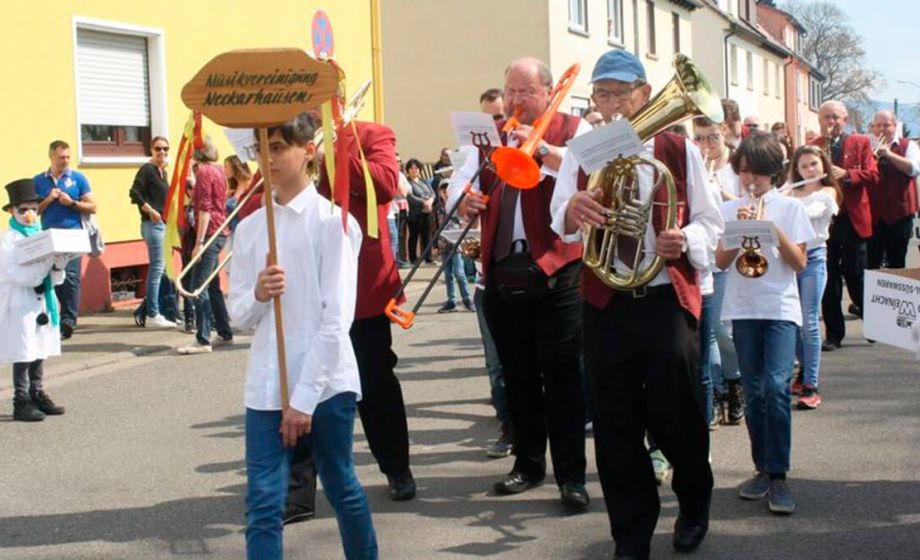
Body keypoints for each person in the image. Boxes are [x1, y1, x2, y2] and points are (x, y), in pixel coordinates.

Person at [551, 49, 723, 557]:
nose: (611, 102)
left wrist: (684, 240)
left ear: (645, 95)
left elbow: (712, 225)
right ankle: (631, 534)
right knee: (615, 425)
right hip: (606, 300)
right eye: (602, 93)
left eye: (621, 92)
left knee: (679, 417)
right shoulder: (583, 149)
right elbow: (557, 218)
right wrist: (572, 209)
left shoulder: (678, 148)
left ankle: (693, 503)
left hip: (666, 299)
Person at [229, 113, 377, 560]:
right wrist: (258, 292)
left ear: (308, 150)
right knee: (263, 502)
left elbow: (336, 320)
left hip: (325, 384)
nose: (268, 158)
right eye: (260, 149)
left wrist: (303, 400)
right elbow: (238, 315)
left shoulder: (334, 224)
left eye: (278, 147)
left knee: (340, 486)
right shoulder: (253, 226)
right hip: (267, 384)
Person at [452, 57, 590, 511]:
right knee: (518, 376)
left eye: (525, 92)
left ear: (548, 92)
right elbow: (457, 184)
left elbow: (587, 166)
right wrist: (464, 200)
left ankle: (572, 476)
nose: (514, 100)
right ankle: (528, 464)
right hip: (503, 270)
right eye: (510, 91)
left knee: (563, 376)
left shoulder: (573, 127)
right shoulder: (489, 134)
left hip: (558, 269)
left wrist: (541, 151)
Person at [285, 111, 415, 528]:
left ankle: (396, 468)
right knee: (303, 387)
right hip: (305, 285)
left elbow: (384, 185)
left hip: (362, 286)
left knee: (375, 383)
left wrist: (334, 153)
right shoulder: (285, 141)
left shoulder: (371, 133)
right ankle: (299, 492)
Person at [715, 133, 814, 516]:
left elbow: (800, 263)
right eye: (743, 172)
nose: (749, 180)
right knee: (754, 391)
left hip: (780, 307)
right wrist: (736, 232)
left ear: (772, 173)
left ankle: (779, 474)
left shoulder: (790, 208)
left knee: (775, 387)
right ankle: (761, 468)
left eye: (756, 172)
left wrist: (772, 230)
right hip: (743, 307)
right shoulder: (730, 210)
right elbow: (722, 262)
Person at [808, 100, 879, 351]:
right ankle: (834, 334)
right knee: (828, 278)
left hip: (852, 218)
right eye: (827, 117)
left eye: (836, 117)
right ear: (820, 121)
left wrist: (847, 174)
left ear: (845, 120)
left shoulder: (860, 142)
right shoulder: (814, 147)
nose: (832, 122)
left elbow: (873, 174)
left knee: (855, 273)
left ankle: (872, 321)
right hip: (826, 219)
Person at [1, 179, 69, 422]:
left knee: (39, 346)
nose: (29, 215)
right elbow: (21, 275)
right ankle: (21, 400)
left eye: (33, 209)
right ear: (12, 211)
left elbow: (54, 277)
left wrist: (59, 263)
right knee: (24, 349)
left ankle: (37, 392)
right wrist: (44, 264)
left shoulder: (41, 235)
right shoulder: (7, 240)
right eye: (23, 210)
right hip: (20, 301)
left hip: (42, 300)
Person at [692, 117, 744, 427]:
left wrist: (719, 193)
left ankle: (735, 381)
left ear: (723, 133)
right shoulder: (694, 163)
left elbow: (747, 206)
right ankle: (712, 396)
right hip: (702, 258)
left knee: (724, 332)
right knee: (707, 333)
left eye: (712, 137)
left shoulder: (734, 169)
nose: (707, 145)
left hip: (726, 255)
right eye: (700, 138)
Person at [785, 145, 842, 410]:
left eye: (814, 164)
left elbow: (811, 214)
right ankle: (805, 367)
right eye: (804, 165)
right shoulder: (789, 190)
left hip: (815, 257)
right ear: (796, 168)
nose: (810, 169)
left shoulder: (827, 192)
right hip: (787, 259)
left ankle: (811, 384)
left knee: (808, 319)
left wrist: (781, 205)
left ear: (823, 166)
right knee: (792, 321)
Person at [34, 140, 97, 340]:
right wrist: (49, 199)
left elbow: (93, 206)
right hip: (50, 237)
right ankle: (57, 316)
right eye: (62, 157)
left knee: (71, 277)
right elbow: (32, 211)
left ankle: (68, 321)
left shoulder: (78, 178)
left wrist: (73, 203)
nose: (66, 161)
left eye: (68, 157)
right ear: (51, 157)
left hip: (74, 234)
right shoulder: (38, 180)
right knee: (54, 277)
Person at [178, 136, 234, 354]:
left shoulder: (204, 172)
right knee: (212, 285)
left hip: (210, 232)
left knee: (197, 286)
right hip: (221, 230)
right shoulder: (219, 170)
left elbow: (204, 209)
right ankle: (224, 331)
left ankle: (203, 339)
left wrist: (199, 242)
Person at [129, 136, 174, 328]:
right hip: (152, 224)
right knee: (157, 268)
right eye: (158, 149)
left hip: (162, 225)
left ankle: (153, 310)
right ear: (151, 149)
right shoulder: (147, 169)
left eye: (165, 149)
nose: (162, 152)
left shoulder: (162, 172)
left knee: (161, 269)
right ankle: (152, 314)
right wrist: (150, 210)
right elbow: (134, 193)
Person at [868, 110, 920, 269]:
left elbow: (914, 169)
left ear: (895, 126)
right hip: (874, 216)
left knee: (897, 264)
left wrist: (889, 154)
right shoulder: (867, 146)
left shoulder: (907, 145)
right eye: (878, 125)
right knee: (872, 264)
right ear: (873, 128)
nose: (882, 129)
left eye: (886, 125)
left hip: (899, 216)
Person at [435, 179, 473, 313]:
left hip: (455, 244)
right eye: (443, 191)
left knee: (459, 273)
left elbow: (464, 221)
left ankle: (467, 299)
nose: (445, 193)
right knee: (448, 275)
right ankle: (452, 300)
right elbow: (436, 226)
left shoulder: (457, 205)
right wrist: (435, 245)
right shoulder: (439, 207)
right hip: (443, 244)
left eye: (447, 190)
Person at [405, 158, 435, 264]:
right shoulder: (407, 182)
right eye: (412, 168)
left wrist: (430, 201)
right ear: (408, 170)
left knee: (427, 236)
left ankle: (428, 257)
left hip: (427, 213)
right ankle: (413, 258)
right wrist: (424, 202)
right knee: (414, 236)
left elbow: (433, 193)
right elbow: (410, 197)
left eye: (416, 168)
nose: (414, 170)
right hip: (415, 214)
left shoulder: (424, 181)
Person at [223, 155, 253, 233]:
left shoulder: (250, 184)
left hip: (247, 230)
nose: (224, 170)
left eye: (226, 167)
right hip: (235, 231)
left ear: (235, 167)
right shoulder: (234, 188)